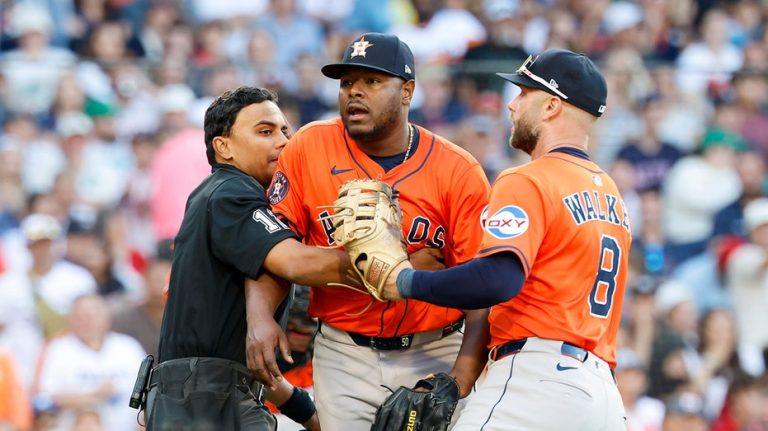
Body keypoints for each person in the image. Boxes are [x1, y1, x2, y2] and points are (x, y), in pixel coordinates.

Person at [380, 49, 632, 430]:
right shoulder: (610, 193)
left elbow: (498, 279)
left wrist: (405, 281)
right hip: (602, 398)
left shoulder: (529, 178)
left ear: (550, 106)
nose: (512, 106)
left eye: (523, 94)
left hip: (536, 380)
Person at [263, 32, 491, 429]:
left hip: (434, 348)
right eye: (348, 82)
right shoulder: (309, 147)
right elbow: (269, 246)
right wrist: (260, 316)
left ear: (407, 91)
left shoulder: (458, 170)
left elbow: (483, 291)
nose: (355, 93)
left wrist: (460, 378)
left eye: (372, 82)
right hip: (343, 350)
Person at [148, 86, 363, 430]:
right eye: (265, 132)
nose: (282, 141)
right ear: (224, 147)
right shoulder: (230, 193)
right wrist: (383, 264)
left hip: (207, 394)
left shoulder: (219, 197)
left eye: (284, 131)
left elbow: (253, 370)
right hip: (204, 402)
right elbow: (295, 262)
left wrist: (315, 420)